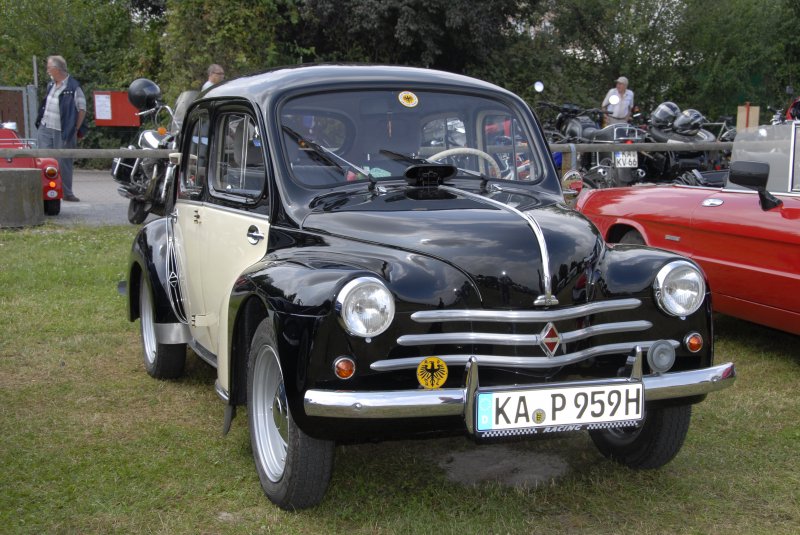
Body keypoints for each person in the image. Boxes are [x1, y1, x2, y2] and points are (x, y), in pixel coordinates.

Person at [35, 55, 87, 202]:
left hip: (63, 131)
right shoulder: (51, 84)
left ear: (57, 69)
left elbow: (82, 109)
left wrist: (74, 129)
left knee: (63, 161)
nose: (47, 71)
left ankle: (67, 193)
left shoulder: (73, 87)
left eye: (49, 68)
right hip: (45, 128)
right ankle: (44, 191)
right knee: (44, 160)